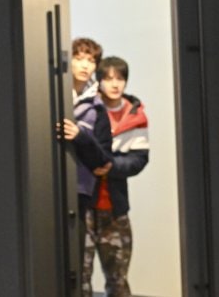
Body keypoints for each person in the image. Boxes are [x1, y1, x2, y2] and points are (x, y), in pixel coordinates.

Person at [83, 56, 150, 297]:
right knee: (80, 278)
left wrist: (111, 166)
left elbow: (139, 159)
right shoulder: (86, 108)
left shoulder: (135, 114)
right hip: (83, 207)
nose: (115, 84)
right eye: (109, 78)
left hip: (115, 207)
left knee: (118, 280)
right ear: (99, 80)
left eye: (120, 78)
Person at [59, 37, 113, 297]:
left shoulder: (97, 107)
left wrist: (80, 135)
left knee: (74, 260)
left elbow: (103, 158)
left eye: (91, 61)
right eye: (79, 58)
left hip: (80, 192)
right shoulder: (53, 96)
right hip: (48, 186)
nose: (84, 65)